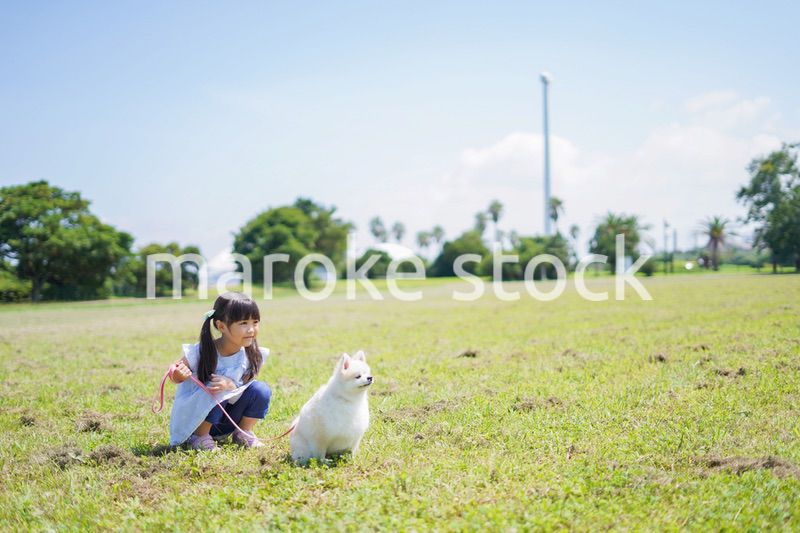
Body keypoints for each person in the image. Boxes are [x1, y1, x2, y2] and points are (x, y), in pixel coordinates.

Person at [168, 291, 271, 450]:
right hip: (197, 420)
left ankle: (243, 432)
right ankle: (199, 437)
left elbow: (243, 387)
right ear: (221, 326)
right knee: (216, 388)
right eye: (243, 323)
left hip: (226, 419)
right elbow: (175, 374)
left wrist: (231, 385)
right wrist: (179, 374)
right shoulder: (202, 352)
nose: (251, 329)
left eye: (255, 322)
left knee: (260, 389)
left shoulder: (251, 354)